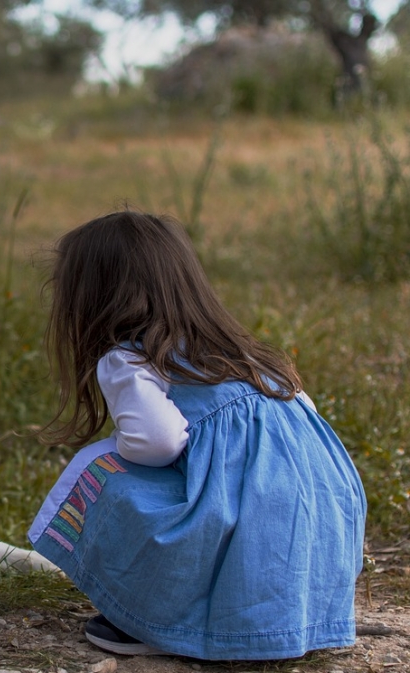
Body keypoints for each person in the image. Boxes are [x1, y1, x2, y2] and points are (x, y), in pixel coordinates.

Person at [27, 210, 366, 660]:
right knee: (243, 496)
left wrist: (121, 450)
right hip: (320, 529)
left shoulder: (130, 359)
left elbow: (159, 442)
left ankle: (159, 620)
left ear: (94, 299)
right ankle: (282, 618)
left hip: (246, 526)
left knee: (102, 469)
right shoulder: (244, 354)